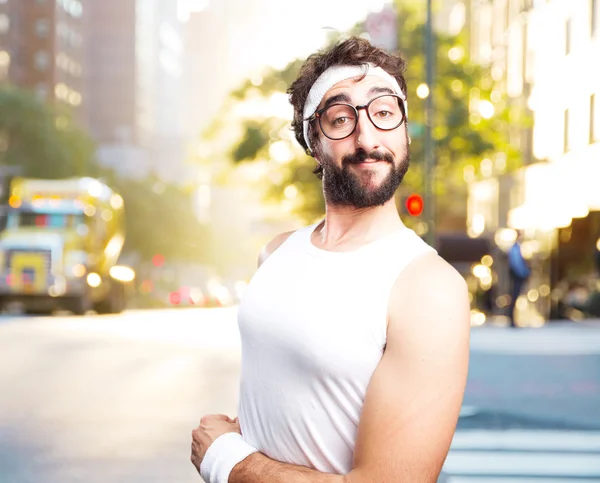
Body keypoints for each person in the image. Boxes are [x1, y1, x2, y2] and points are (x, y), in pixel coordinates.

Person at [191, 37, 471, 483]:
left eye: (383, 112)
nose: (367, 138)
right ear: (312, 141)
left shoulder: (427, 288)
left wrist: (227, 459)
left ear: (402, 127)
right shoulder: (277, 252)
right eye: (341, 119)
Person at [507, 232, 531, 327]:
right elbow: (516, 264)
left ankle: (512, 319)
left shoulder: (516, 248)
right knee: (514, 297)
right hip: (517, 276)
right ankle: (511, 319)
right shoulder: (515, 249)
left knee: (514, 297)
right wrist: (524, 273)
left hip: (517, 275)